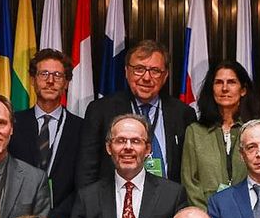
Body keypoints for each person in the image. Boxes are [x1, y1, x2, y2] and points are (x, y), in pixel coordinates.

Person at [76, 39, 194, 185]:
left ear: (165, 76)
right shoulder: (101, 110)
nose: (146, 78)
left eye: (155, 71)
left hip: (169, 197)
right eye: (139, 69)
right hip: (116, 197)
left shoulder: (183, 114)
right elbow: (86, 171)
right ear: (127, 72)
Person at [9, 49, 84, 218]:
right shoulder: (13, 124)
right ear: (33, 80)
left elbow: (84, 183)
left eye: (58, 75)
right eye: (44, 74)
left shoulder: (82, 128)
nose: (50, 81)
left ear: (66, 83)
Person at [181, 59, 256, 208]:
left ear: (243, 90)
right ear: (212, 89)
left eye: (232, 82)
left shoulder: (256, 131)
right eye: (219, 82)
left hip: (248, 214)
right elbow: (189, 182)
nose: (225, 88)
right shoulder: (195, 132)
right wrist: (207, 217)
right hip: (205, 216)